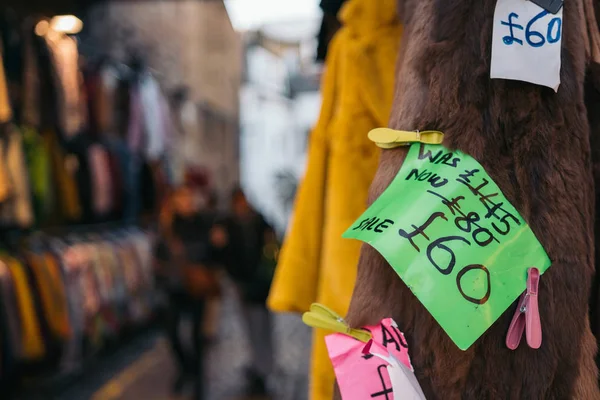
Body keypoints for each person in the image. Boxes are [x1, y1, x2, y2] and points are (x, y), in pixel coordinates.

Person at [154, 185, 220, 399]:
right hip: (174, 287)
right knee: (172, 333)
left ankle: (199, 385)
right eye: (181, 198)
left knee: (196, 336)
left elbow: (211, 251)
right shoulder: (167, 225)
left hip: (196, 287)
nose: (186, 202)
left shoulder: (202, 222)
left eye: (188, 198)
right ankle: (186, 369)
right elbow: (159, 254)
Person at [216, 187, 277, 396]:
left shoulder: (257, 220)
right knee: (251, 325)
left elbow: (270, 240)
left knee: (262, 325)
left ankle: (264, 367)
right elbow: (223, 252)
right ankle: (259, 366)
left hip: (260, 283)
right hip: (242, 283)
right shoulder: (229, 223)